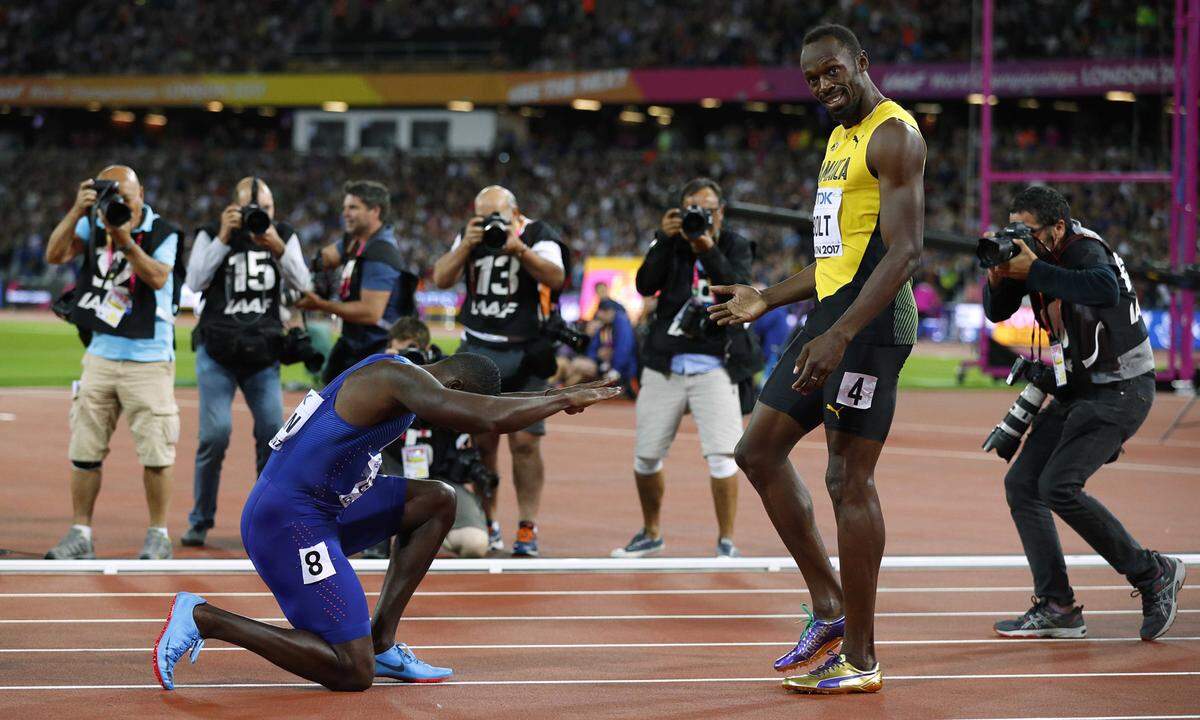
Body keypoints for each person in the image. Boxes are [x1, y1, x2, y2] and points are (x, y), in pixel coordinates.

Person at [152, 352, 619, 691]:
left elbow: (484, 408)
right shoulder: (394, 377)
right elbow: (487, 417)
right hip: (288, 523)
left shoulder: (408, 381)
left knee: (437, 500)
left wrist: (547, 396)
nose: (456, 424)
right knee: (352, 672)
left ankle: (382, 641)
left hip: (324, 508)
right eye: (458, 408)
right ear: (453, 390)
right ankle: (205, 617)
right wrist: (558, 399)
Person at [708, 24, 925, 693]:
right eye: (812, 79)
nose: (824, 87)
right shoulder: (838, 141)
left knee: (845, 482)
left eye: (833, 72)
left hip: (874, 322)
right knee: (756, 452)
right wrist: (768, 299)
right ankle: (829, 606)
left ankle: (862, 658)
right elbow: (836, 258)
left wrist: (839, 336)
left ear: (862, 62)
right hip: (831, 316)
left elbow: (906, 251)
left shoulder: (895, 134)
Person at [983, 185, 1185, 641]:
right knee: (1023, 484)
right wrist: (999, 278)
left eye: (1029, 230)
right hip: (1077, 386)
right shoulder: (1034, 255)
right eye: (1016, 230)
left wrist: (1034, 268)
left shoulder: (1085, 249)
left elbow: (1103, 287)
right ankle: (1057, 606)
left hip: (1122, 388)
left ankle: (1153, 574)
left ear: (1057, 228)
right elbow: (998, 313)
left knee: (1058, 485)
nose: (1022, 239)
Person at [612, 177, 761, 559]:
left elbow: (736, 288)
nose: (700, 215)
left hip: (716, 363)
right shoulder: (668, 242)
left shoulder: (736, 244)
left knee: (723, 456)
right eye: (692, 208)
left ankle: (726, 541)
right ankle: (651, 531)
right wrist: (664, 240)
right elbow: (645, 286)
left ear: (721, 212)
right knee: (645, 455)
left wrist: (705, 245)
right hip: (665, 365)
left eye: (708, 209)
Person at [43, 166, 183, 560]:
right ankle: (80, 533)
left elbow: (157, 278)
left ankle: (158, 535)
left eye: (127, 194)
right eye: (112, 195)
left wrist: (122, 237)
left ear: (142, 193)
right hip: (102, 353)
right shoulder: (92, 222)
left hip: (149, 357)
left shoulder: (163, 231)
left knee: (157, 452)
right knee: (84, 448)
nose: (120, 202)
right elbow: (54, 254)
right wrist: (76, 211)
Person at [431, 185, 568, 557]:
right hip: (478, 349)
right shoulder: (470, 234)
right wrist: (464, 245)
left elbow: (556, 278)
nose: (490, 223)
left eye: (497, 216)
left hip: (525, 350)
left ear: (515, 213)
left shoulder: (538, 235)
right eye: (482, 216)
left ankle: (527, 526)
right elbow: (441, 278)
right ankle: (489, 522)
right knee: (482, 444)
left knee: (525, 444)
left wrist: (518, 248)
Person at [182, 176, 312, 547]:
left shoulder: (283, 235)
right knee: (215, 434)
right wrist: (224, 237)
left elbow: (305, 284)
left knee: (274, 434)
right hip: (217, 351)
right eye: (252, 209)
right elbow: (193, 281)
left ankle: (265, 521)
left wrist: (278, 246)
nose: (260, 215)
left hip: (263, 354)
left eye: (266, 209)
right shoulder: (213, 233)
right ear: (233, 209)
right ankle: (200, 519)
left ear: (275, 210)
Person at [365, 317, 493, 560]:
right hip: (391, 473)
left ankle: (427, 526)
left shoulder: (450, 379)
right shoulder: (378, 374)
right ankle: (379, 530)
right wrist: (387, 370)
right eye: (398, 350)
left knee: (474, 544)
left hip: (438, 475)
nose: (405, 357)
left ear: (425, 350)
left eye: (410, 350)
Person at [296, 180, 418, 384]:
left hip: (376, 347)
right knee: (328, 391)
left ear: (375, 211)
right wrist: (301, 262)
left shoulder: (380, 252)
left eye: (353, 207)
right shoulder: (355, 241)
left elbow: (371, 313)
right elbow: (325, 258)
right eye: (344, 207)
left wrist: (319, 304)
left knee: (353, 408)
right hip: (353, 342)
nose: (345, 213)